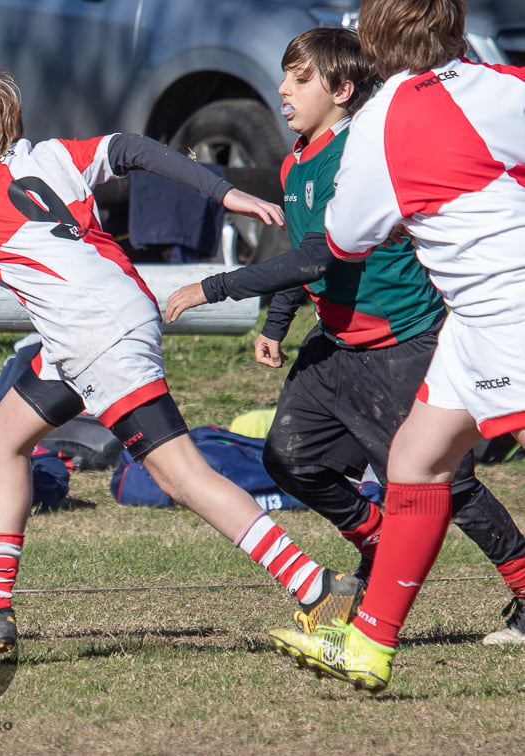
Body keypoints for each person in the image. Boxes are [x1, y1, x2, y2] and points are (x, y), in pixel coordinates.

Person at [0, 54, 365, 660]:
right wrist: (223, 191)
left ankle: (319, 590)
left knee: (180, 475)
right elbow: (130, 148)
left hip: (92, 333)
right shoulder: (42, 156)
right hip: (110, 313)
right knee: (3, 436)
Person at [164, 27, 525, 644]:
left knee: (446, 483)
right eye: (285, 75)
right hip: (334, 345)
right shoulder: (296, 159)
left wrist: (215, 287)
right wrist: (276, 323)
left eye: (299, 79)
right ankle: (383, 543)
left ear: (342, 90)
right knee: (291, 458)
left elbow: (319, 259)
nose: (282, 89)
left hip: (399, 343)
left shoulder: (364, 150)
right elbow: (303, 245)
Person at [262, 0, 525, 692]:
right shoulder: (501, 85)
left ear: (370, 38)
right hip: (471, 323)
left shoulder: (380, 122)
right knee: (415, 459)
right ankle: (370, 644)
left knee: (423, 464)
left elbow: (346, 239)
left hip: (508, 311)